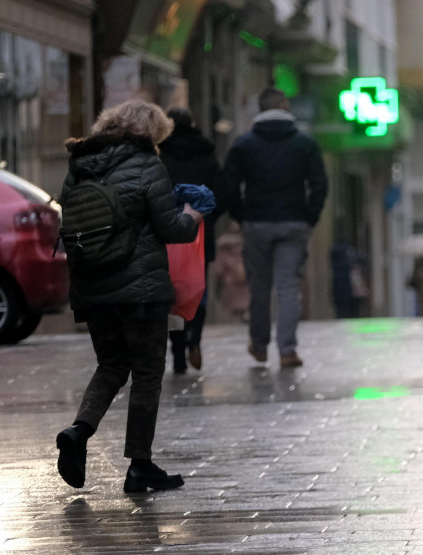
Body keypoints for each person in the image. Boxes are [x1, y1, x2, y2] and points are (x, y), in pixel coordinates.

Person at [55, 100, 203, 493]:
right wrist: (193, 215)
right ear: (150, 133)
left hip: (92, 289)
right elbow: (171, 229)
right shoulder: (147, 165)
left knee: (110, 365)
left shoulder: (78, 167)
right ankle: (140, 465)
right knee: (148, 374)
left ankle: (79, 430)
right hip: (141, 293)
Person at [223, 87, 328, 368]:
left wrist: (241, 215)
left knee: (258, 288)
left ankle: (259, 345)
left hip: (256, 223)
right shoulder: (304, 144)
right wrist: (310, 216)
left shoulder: (244, 144)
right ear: (283, 106)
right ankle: (287, 350)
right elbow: (319, 184)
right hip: (293, 223)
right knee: (288, 287)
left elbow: (229, 185)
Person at [159, 108, 227, 374]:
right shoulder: (206, 155)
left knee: (173, 292)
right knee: (198, 289)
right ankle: (194, 339)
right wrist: (205, 217)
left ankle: (177, 352)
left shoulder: (159, 156)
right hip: (200, 232)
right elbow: (223, 192)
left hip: (167, 232)